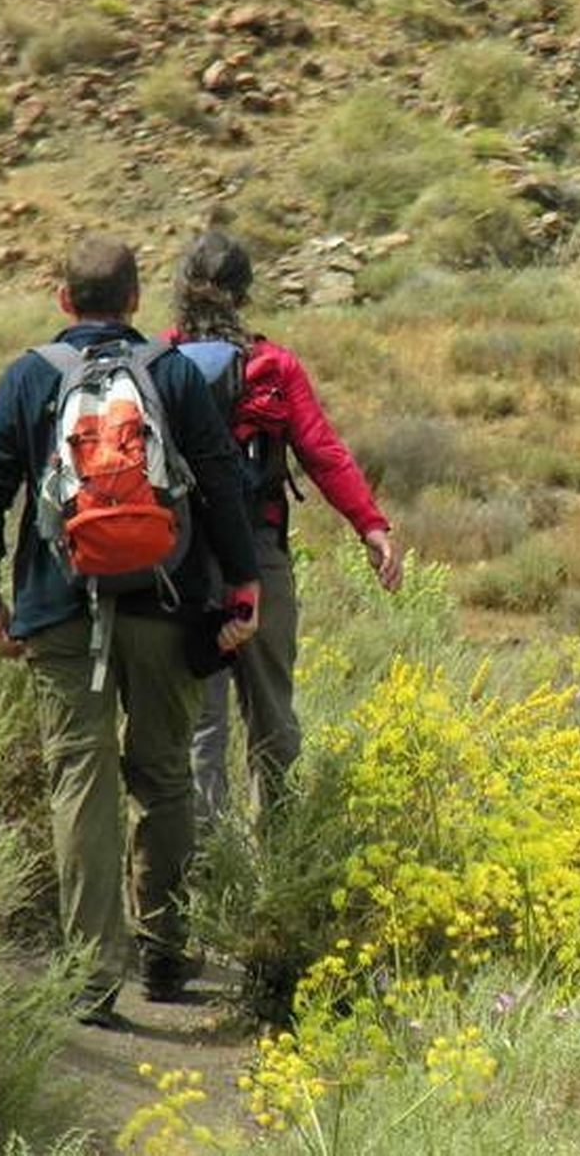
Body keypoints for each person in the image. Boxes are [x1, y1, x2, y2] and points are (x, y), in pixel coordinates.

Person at [0, 234, 262, 1026]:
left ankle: (91, 978)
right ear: (135, 300)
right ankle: (164, 951)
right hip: (166, 605)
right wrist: (243, 586)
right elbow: (222, 481)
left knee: (81, 783)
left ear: (64, 299)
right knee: (163, 775)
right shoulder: (172, 372)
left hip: (60, 609)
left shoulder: (29, 375)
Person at [169, 231, 402, 827]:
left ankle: (202, 859)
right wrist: (370, 526)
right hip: (259, 551)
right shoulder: (272, 365)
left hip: (183, 558)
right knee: (271, 711)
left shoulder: (159, 362)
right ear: (245, 295)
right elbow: (321, 451)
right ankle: (279, 846)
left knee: (201, 722)